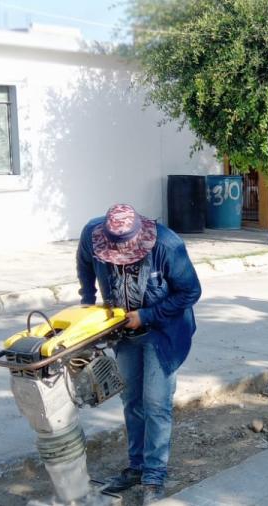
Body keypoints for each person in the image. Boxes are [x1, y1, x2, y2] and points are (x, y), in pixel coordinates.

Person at [77, 204, 202, 505]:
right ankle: (136, 467)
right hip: (124, 333)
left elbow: (191, 292)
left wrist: (146, 315)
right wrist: (88, 303)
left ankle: (154, 475)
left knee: (156, 403)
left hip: (163, 332)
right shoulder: (91, 235)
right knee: (131, 400)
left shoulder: (167, 244)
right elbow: (84, 266)